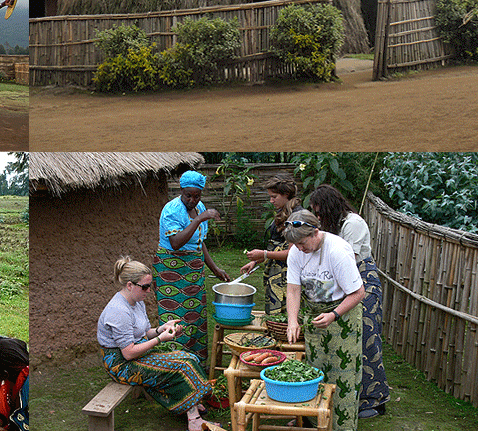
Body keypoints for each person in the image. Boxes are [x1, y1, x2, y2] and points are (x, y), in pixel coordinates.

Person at [98, 256, 213, 431]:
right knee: (183, 365)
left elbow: (144, 333)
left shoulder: (136, 302)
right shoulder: (118, 311)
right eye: (144, 287)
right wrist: (160, 339)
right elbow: (128, 353)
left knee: (189, 357)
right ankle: (194, 418)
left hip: (135, 352)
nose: (148, 291)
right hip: (120, 363)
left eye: (149, 286)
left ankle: (192, 403)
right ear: (130, 285)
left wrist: (161, 329)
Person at [309, 184, 389, 419]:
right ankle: (351, 396)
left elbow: (349, 260)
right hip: (344, 282)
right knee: (348, 339)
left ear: (330, 206)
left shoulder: (352, 223)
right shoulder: (334, 225)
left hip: (363, 282)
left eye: (319, 210)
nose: (318, 216)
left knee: (367, 338)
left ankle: (376, 399)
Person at [284, 209, 365, 431]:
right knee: (315, 371)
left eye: (302, 243)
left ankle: (342, 426)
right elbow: (293, 290)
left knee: (342, 375)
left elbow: (358, 293)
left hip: (343, 317)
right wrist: (293, 321)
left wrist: (334, 314)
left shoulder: (338, 251)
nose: (300, 249)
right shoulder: (296, 252)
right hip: (315, 317)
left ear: (315, 232)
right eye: (296, 245)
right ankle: (314, 423)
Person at [155, 170, 229, 363]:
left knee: (196, 316)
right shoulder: (171, 210)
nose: (192, 200)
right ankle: (174, 363)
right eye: (188, 195)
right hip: (171, 268)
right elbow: (176, 243)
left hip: (193, 270)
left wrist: (215, 269)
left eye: (197, 196)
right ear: (181, 191)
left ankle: (197, 362)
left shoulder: (199, 207)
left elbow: (199, 242)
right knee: (175, 315)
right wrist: (199, 219)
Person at [239, 174, 302, 314]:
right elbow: (277, 246)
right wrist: (256, 261)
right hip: (276, 272)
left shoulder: (297, 217)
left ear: (286, 194)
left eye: (274, 196)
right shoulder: (284, 212)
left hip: (288, 276)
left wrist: (265, 254)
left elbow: (292, 253)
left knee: (285, 314)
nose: (271, 200)